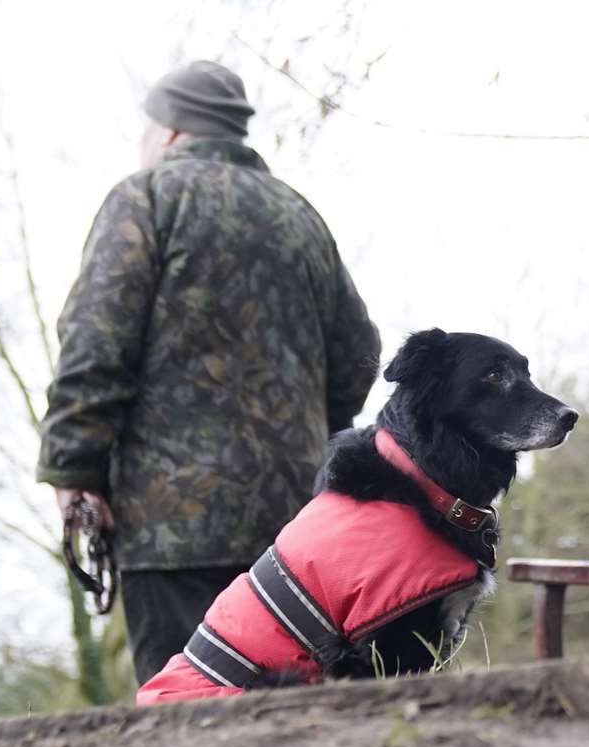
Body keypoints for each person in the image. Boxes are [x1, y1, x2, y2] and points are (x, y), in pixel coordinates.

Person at [37, 60, 381, 685]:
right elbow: (361, 352)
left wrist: (73, 470)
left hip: (171, 528)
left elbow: (95, 343)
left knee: (186, 712)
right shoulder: (299, 218)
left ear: (169, 132)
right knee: (295, 718)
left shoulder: (144, 199)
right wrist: (313, 436)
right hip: (291, 528)